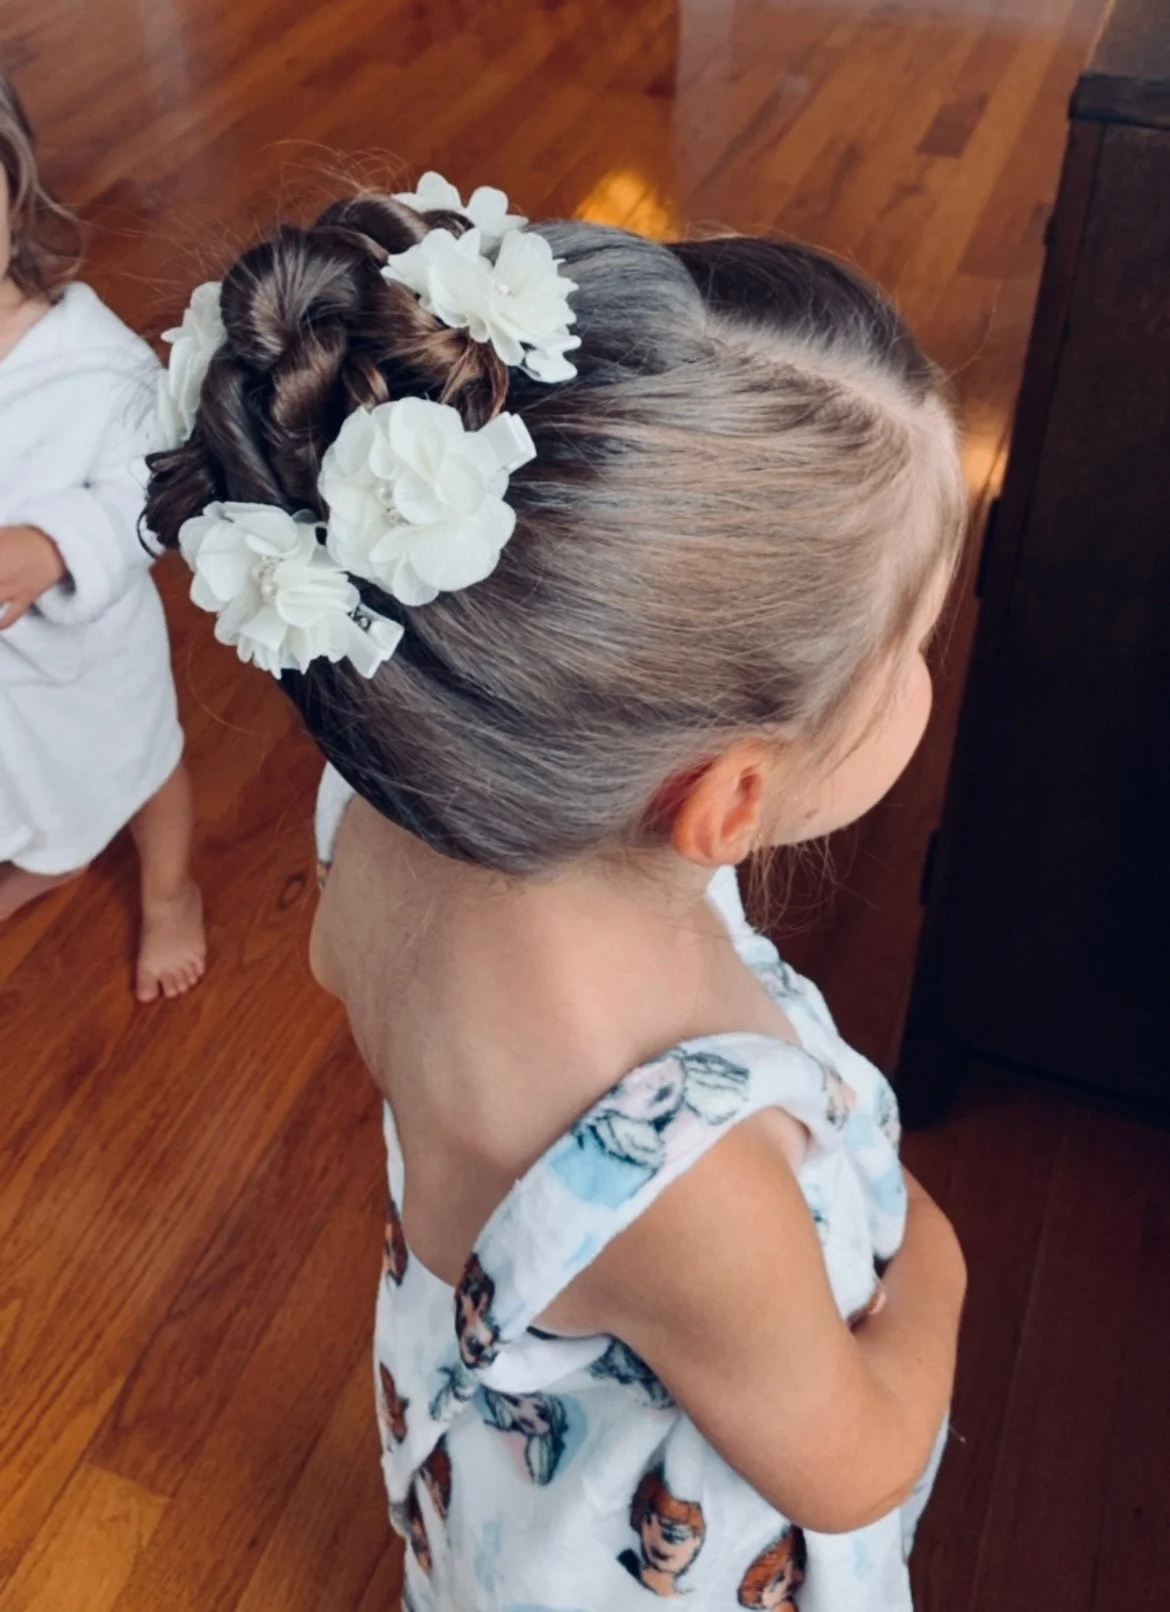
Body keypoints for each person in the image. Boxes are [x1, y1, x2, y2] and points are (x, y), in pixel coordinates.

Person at [144, 171, 969, 1608]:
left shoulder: (392, 818)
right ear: (728, 803)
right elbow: (848, 1467)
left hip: (503, 1472)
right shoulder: (689, 1185)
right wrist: (941, 1266)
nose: (917, 679)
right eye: (908, 649)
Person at [0, 75, 204, 1001]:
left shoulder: (93, 366)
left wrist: (55, 543)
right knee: (31, 785)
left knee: (141, 767)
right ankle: (56, 854)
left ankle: (169, 891)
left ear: (15, 196)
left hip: (89, 660)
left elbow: (158, 486)